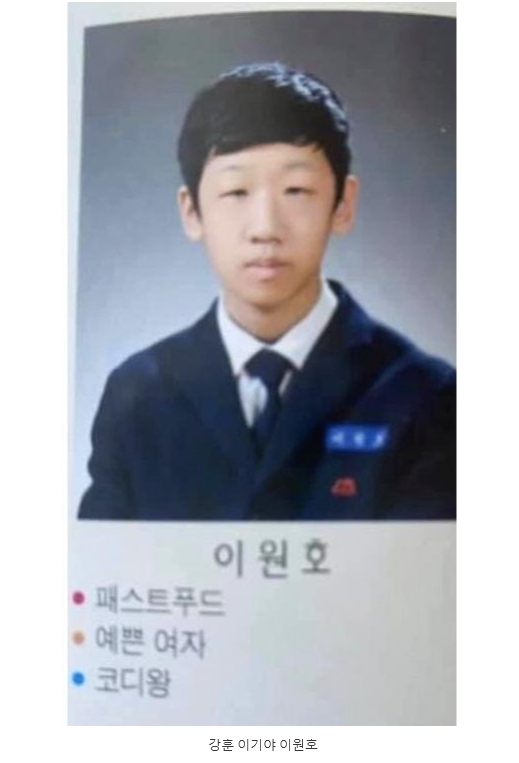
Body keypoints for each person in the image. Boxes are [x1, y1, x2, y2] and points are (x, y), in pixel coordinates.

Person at [78, 62, 455, 521]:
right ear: (192, 212)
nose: (265, 228)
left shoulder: (423, 393)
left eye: (296, 190)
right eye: (236, 192)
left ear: (343, 203)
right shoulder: (137, 394)